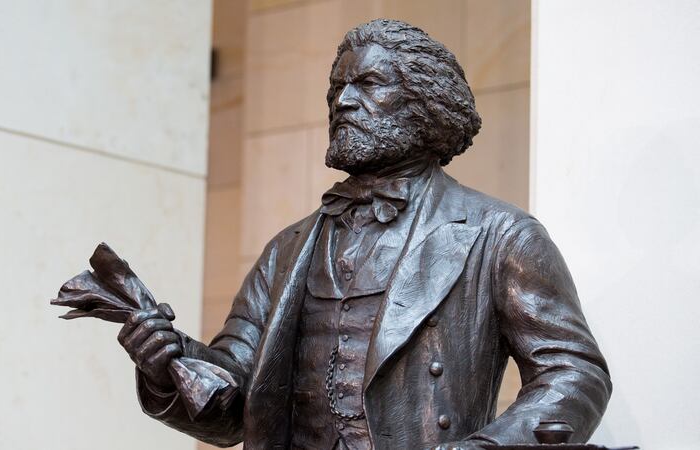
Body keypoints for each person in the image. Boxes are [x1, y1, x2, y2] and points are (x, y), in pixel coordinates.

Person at [116, 19, 611, 450]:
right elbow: (233, 407)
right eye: (336, 88)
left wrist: (484, 449)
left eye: (369, 84)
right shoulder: (287, 250)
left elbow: (574, 374)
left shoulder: (499, 235)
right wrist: (169, 366)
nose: (344, 101)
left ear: (426, 102)